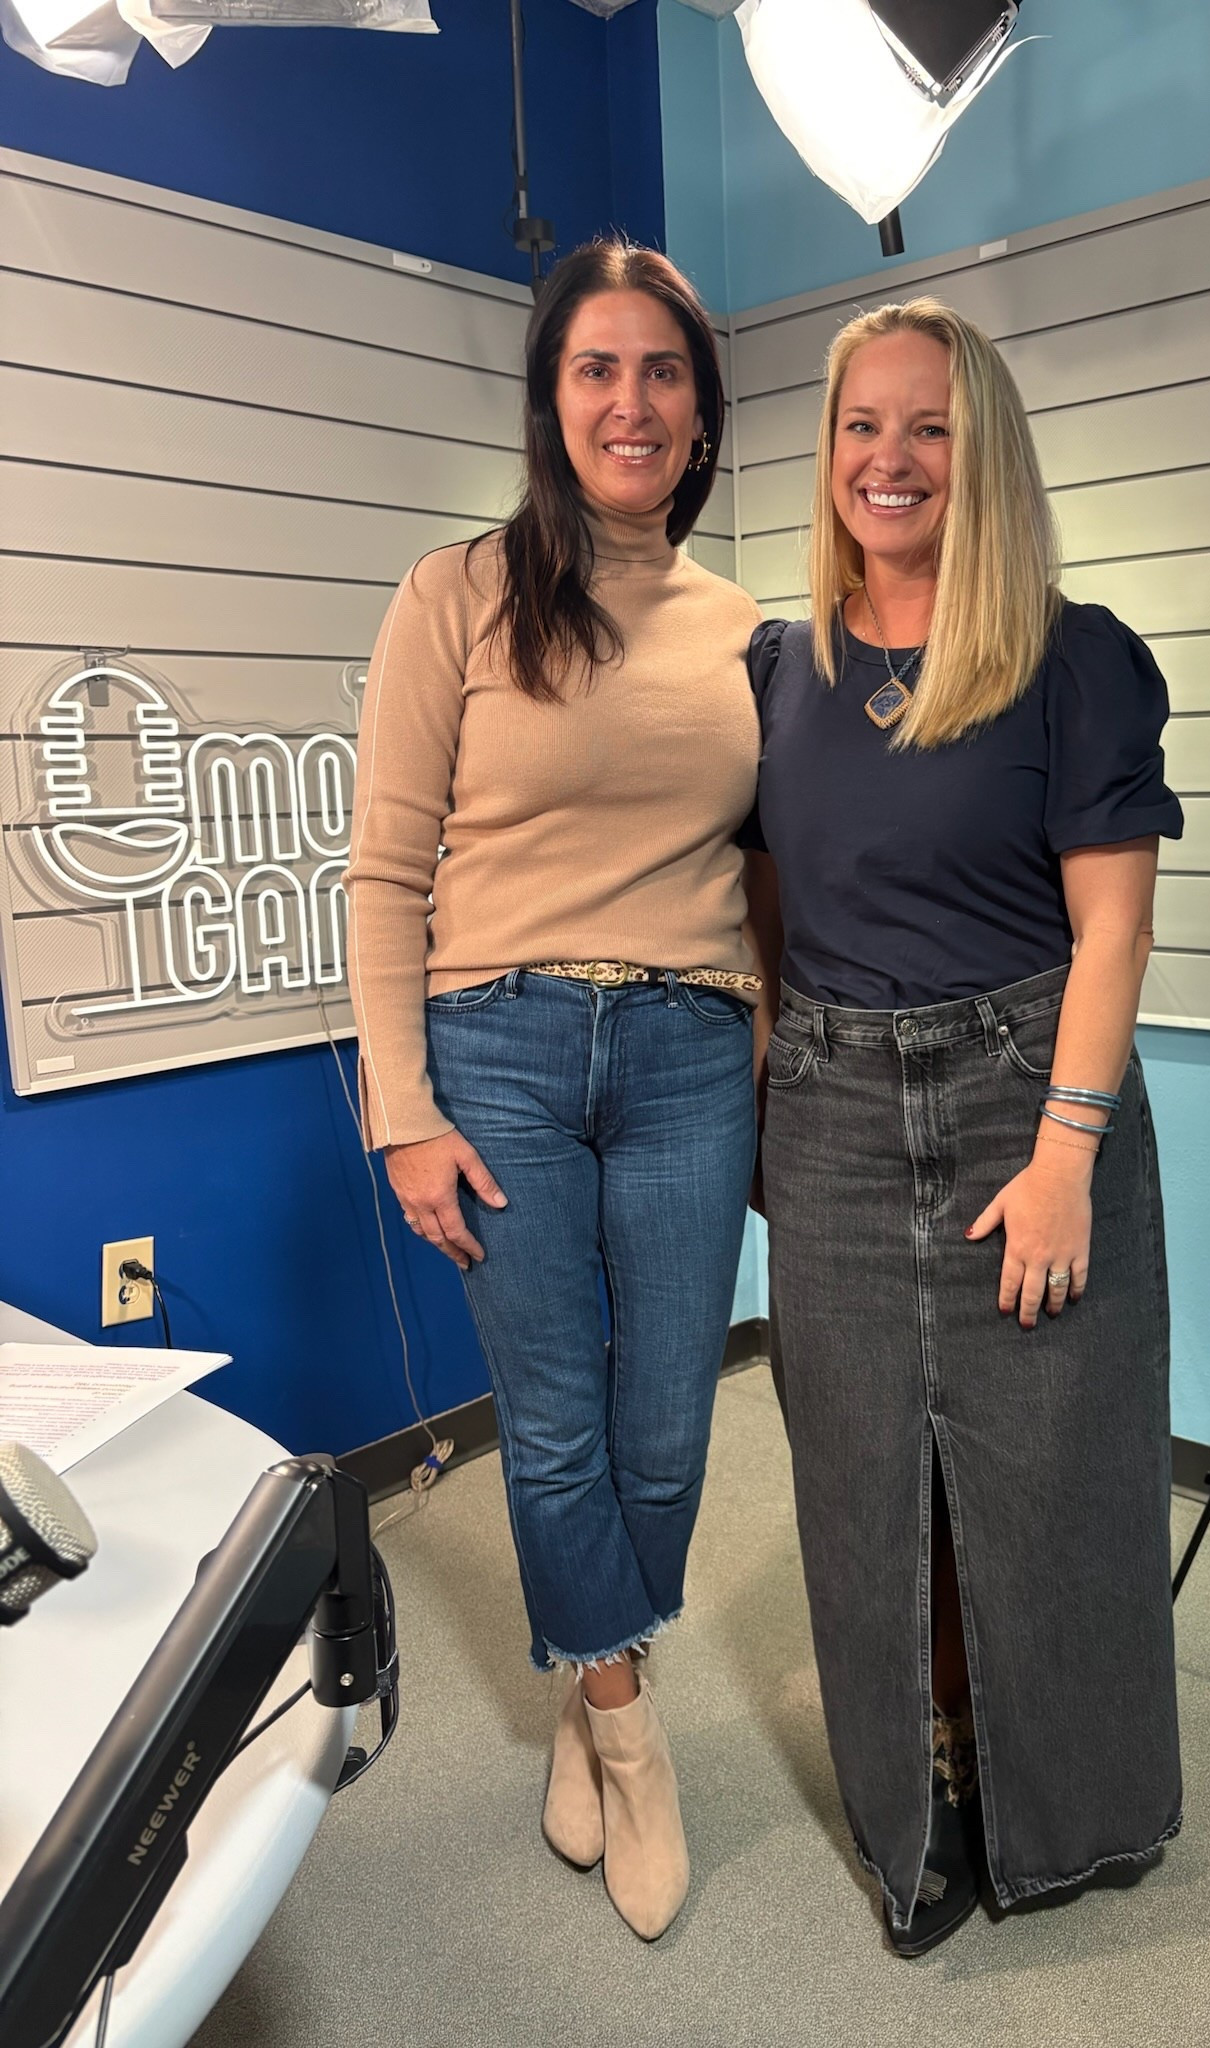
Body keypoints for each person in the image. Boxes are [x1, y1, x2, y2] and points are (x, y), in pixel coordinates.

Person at [742, 298, 1184, 1956]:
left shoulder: (1074, 657)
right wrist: (781, 1119)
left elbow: (1113, 934)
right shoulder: (777, 671)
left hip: (1025, 1095)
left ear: (979, 449)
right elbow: (772, 921)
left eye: (928, 426)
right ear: (831, 449)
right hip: (836, 1110)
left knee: (1054, 1469)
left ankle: (1061, 1809)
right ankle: (916, 1806)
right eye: (864, 424)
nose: (891, 457)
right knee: (866, 1483)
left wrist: (1068, 1150)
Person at [345, 239, 762, 1942]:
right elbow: (383, 870)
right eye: (596, 368)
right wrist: (400, 1106)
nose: (630, 400)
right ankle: (630, 1737)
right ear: (550, 399)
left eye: (660, 370)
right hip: (497, 1051)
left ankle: (591, 1689)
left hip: (689, 1051)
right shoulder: (455, 593)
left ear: (699, 405)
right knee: (563, 1425)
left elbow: (780, 872)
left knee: (669, 1429)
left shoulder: (747, 627)